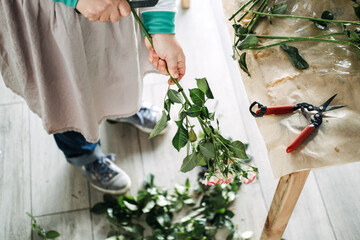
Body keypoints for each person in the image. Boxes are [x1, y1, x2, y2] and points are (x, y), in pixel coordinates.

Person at [0, 0, 186, 194]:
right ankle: (83, 153)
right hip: (49, 17)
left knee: (114, 65)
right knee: (67, 91)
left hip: (114, 15)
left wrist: (161, 24)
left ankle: (119, 107)